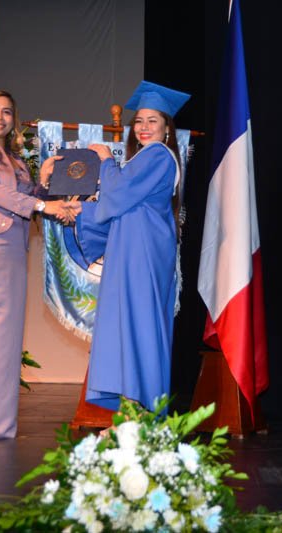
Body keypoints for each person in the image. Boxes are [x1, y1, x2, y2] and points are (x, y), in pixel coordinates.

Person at [0, 90, 80, 441]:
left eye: (7, 112)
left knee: (5, 342)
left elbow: (28, 199)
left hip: (12, 252)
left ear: (13, 119)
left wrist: (44, 182)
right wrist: (43, 207)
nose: (0, 117)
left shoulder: (15, 159)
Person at [70, 80, 190, 412]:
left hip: (143, 254)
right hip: (134, 250)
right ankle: (131, 409)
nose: (144, 127)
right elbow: (121, 205)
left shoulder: (158, 155)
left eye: (153, 121)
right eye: (139, 121)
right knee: (130, 327)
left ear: (167, 128)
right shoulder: (145, 158)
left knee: (141, 326)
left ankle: (144, 413)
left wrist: (107, 160)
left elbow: (119, 193)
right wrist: (78, 210)